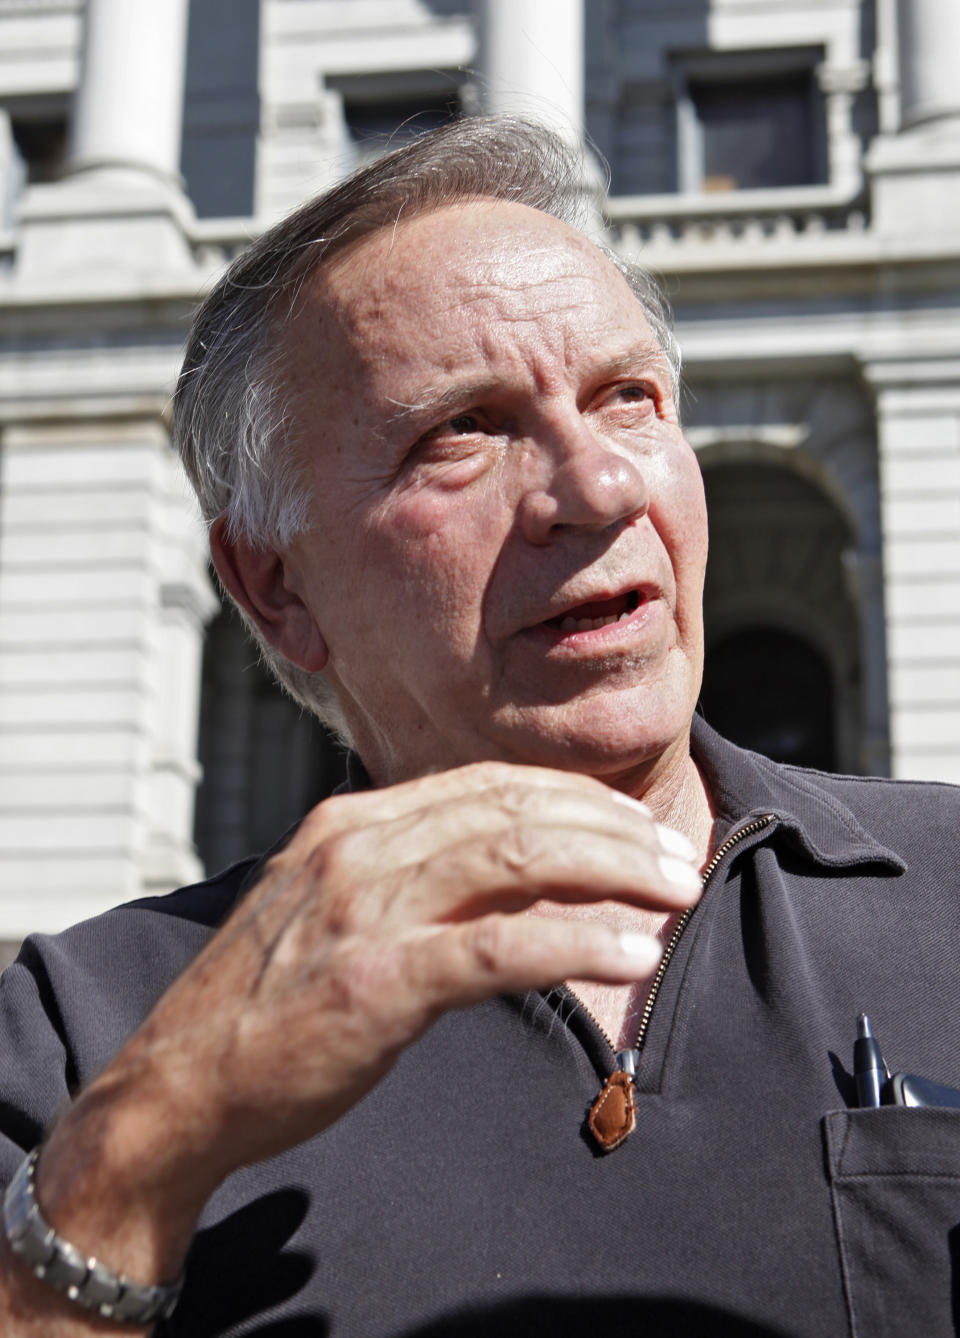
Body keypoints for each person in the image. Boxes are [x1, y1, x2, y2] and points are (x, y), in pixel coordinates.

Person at [2, 117, 960, 1338]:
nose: (602, 486)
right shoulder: (78, 1027)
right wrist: (138, 1162)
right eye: (462, 429)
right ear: (275, 586)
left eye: (629, 399)